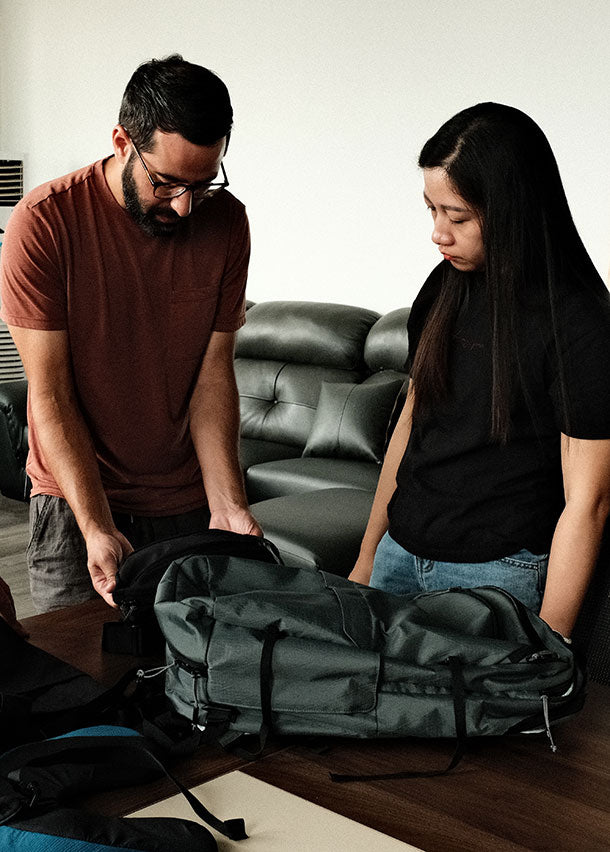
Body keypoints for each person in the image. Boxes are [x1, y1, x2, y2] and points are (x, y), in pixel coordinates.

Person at [0, 55, 261, 614]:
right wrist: (97, 526)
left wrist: (228, 503)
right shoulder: (44, 223)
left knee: (187, 688)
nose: (185, 206)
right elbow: (50, 393)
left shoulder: (228, 223)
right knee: (76, 684)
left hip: (185, 501)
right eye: (166, 183)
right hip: (75, 504)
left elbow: (212, 375)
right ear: (122, 142)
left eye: (203, 182)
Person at [349, 102, 610, 640]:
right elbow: (411, 427)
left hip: (497, 577)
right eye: (432, 211)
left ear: (510, 208)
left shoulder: (579, 323)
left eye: (458, 217)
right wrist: (368, 554)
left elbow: (590, 500)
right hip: (400, 552)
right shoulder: (443, 287)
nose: (438, 234)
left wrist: (554, 636)